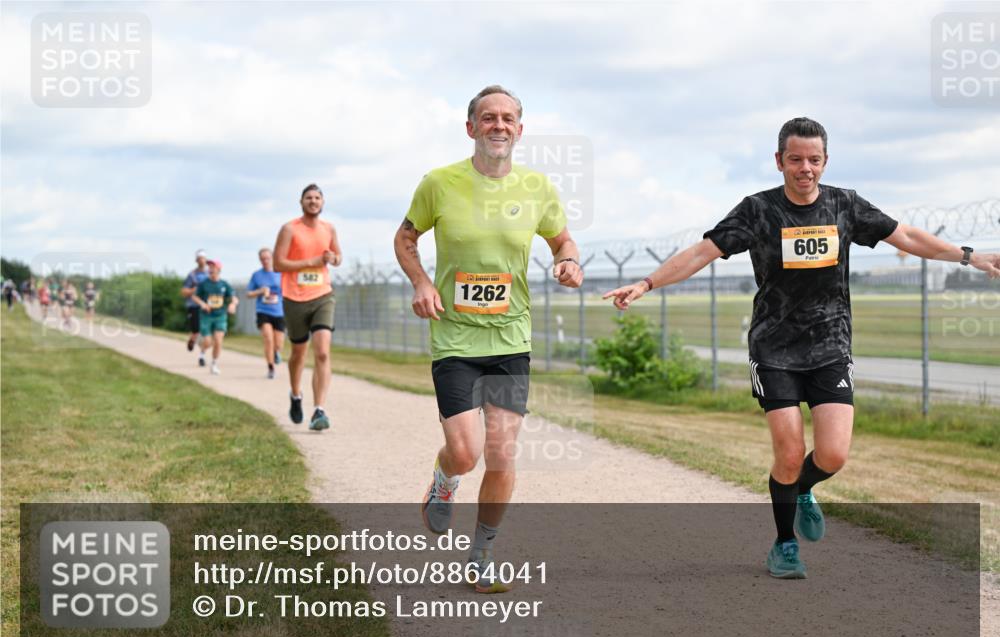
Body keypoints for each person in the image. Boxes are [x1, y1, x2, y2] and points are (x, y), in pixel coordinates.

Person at [603, 117, 1000, 579]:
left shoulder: (844, 205)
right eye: (795, 159)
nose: (805, 168)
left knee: (832, 455)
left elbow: (906, 236)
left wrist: (970, 256)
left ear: (825, 162)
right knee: (789, 453)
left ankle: (804, 489)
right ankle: (784, 544)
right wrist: (647, 283)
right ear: (779, 162)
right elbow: (702, 252)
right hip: (773, 349)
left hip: (830, 345)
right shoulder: (757, 211)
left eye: (814, 160)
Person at [394, 85, 583, 593]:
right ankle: (444, 479)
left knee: (502, 453)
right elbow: (406, 236)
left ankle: (482, 552)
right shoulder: (439, 183)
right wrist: (422, 282)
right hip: (455, 338)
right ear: (471, 126)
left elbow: (562, 238)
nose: (498, 125)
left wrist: (567, 260)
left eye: (508, 119)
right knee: (465, 451)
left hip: (511, 336)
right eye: (488, 117)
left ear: (519, 130)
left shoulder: (537, 187)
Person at [272, 184, 342, 431]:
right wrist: (311, 261)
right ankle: (295, 393)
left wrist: (333, 259)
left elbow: (338, 257)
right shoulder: (290, 229)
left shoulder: (329, 228)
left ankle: (319, 410)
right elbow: (277, 264)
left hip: (323, 295)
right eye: (308, 198)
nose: (313, 201)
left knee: (322, 352)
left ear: (322, 202)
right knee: (298, 353)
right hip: (294, 298)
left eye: (317, 197)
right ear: (301, 202)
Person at [191, 259, 238, 375]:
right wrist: (203, 304)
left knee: (218, 340)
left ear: (219, 270)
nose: (210, 269)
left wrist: (232, 304)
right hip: (206, 316)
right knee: (207, 341)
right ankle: (202, 353)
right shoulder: (204, 284)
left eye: (213, 267)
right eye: (209, 267)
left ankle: (214, 364)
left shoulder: (224, 284)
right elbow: (194, 297)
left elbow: (234, 297)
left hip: (220, 316)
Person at [247, 247, 286, 379]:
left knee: (279, 343)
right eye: (262, 259)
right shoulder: (257, 275)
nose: (265, 261)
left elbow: (288, 290)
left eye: (267, 258)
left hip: (279, 311)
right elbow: (248, 294)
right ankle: (270, 367)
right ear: (260, 260)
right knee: (268, 338)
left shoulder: (281, 273)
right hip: (263, 311)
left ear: (272, 258)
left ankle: (276, 352)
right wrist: (260, 291)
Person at [181, 250, 210, 366]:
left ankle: (202, 355)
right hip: (194, 306)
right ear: (196, 260)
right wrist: (194, 290)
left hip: (207, 307)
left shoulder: (210, 274)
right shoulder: (192, 275)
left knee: (206, 333)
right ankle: (192, 339)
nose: (201, 260)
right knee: (196, 332)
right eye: (199, 258)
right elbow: (184, 291)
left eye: (203, 258)